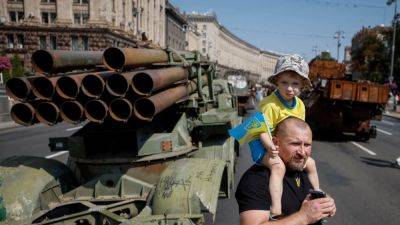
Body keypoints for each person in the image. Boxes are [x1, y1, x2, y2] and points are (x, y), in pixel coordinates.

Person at [230, 54, 320, 216]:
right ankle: (276, 208)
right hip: (262, 143)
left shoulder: (300, 104)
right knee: (278, 166)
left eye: (295, 84)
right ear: (277, 82)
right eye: (284, 83)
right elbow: (263, 130)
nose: (289, 88)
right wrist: (270, 147)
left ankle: (317, 195)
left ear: (302, 86)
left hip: (281, 142)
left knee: (311, 164)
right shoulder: (269, 104)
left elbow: (299, 128)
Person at [235, 117, 336, 225]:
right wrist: (303, 217)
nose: (302, 152)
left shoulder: (301, 169)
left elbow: (307, 197)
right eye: (295, 144)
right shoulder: (257, 179)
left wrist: (324, 203)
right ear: (275, 142)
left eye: (307, 145)